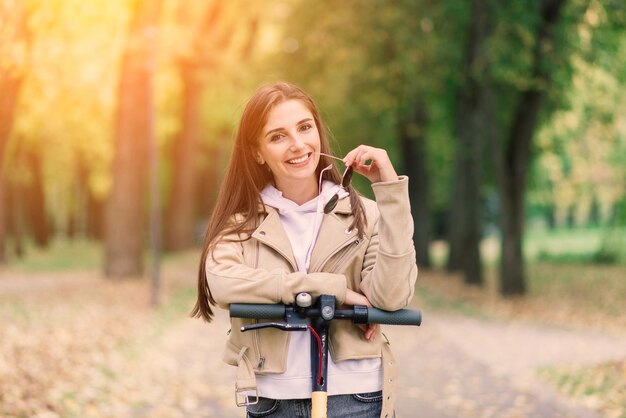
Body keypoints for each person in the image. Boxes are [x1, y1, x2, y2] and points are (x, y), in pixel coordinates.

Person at [191, 81, 418, 418]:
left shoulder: (364, 214)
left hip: (358, 398)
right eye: (277, 136)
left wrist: (390, 193)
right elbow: (223, 282)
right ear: (257, 152)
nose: (298, 145)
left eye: (304, 127)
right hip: (273, 401)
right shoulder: (240, 223)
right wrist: (330, 289)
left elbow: (392, 297)